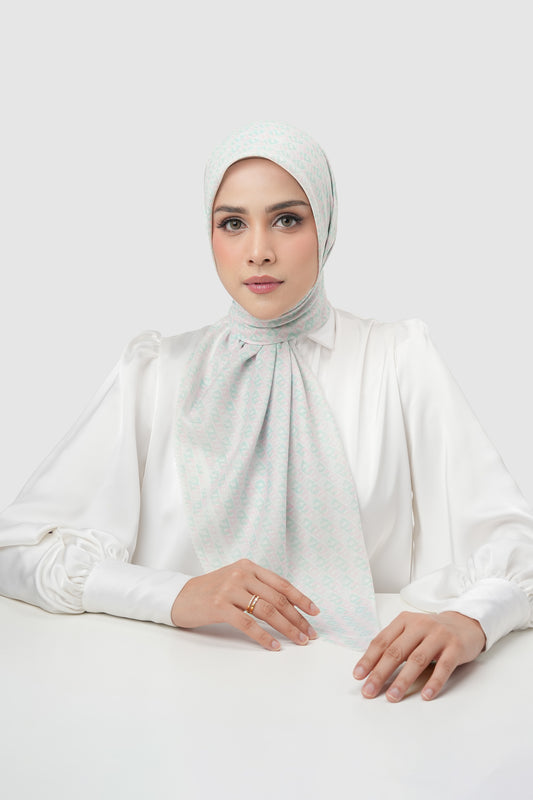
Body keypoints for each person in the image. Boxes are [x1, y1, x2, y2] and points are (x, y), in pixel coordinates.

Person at [1, 121, 532, 704]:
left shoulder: (397, 360)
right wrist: (173, 595)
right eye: (233, 223)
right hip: (169, 700)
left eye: (287, 219)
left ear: (325, 224)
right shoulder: (155, 374)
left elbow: (515, 539)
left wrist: (474, 618)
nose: (259, 250)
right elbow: (16, 550)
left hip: (367, 701)